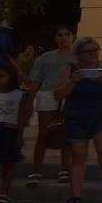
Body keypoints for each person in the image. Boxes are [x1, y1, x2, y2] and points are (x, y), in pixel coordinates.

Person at [54, 37, 102, 203]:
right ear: (79, 55)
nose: (94, 53)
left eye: (96, 49)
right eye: (89, 51)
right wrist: (73, 82)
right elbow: (58, 94)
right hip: (77, 117)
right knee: (78, 156)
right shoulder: (69, 69)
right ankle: (76, 195)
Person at [25, 25, 75, 187]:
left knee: (66, 134)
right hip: (47, 95)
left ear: (73, 37)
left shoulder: (77, 58)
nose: (63, 38)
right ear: (55, 38)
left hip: (68, 97)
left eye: (67, 34)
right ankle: (36, 170)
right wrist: (29, 104)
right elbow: (35, 82)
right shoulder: (45, 58)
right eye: (59, 35)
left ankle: (64, 169)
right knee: (44, 133)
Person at [0, 67, 31, 203]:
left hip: (8, 130)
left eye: (2, 76)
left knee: (8, 162)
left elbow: (21, 115)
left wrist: (20, 135)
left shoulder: (19, 94)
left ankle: (4, 193)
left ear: (10, 78)